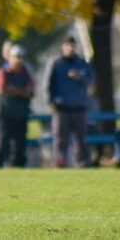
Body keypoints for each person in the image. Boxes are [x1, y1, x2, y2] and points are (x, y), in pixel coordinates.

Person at [44, 36, 95, 168]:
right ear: (63, 46)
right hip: (61, 108)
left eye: (73, 46)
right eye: (68, 45)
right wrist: (51, 103)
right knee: (60, 140)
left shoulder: (82, 63)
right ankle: (60, 163)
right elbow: (47, 85)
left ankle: (82, 164)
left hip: (79, 107)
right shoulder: (56, 64)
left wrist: (79, 77)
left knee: (81, 140)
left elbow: (91, 81)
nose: (70, 48)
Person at [0, 45, 34, 168]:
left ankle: (17, 170)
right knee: (1, 145)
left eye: (21, 57)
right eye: (16, 57)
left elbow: (30, 92)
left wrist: (13, 90)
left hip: (20, 114)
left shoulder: (26, 73)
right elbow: (0, 89)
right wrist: (21, 91)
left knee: (19, 147)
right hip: (4, 115)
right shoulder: (2, 72)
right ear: (10, 58)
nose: (19, 60)